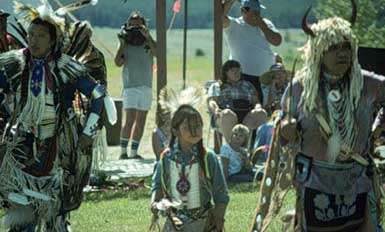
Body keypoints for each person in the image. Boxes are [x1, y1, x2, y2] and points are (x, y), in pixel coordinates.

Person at [252, 2, 385, 231]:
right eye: (334, 48)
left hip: (358, 181)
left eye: (346, 47)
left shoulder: (367, 84)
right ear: (318, 51)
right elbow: (284, 126)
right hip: (315, 182)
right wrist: (286, 128)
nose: (342, 53)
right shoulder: (300, 88)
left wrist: (378, 126)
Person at [0, 1, 112, 231]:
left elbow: (98, 95)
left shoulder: (66, 67)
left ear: (52, 40)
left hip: (59, 144)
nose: (33, 40)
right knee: (21, 203)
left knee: (54, 210)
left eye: (41, 35)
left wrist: (89, 131)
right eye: (31, 34)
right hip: (23, 139)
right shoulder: (15, 62)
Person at [151, 87, 229, 232]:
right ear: (175, 131)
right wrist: (155, 204)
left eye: (198, 126)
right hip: (175, 224)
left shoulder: (207, 157)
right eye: (187, 127)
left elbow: (221, 194)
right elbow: (157, 187)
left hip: (205, 223)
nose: (194, 132)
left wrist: (218, 219)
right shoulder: (166, 158)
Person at [115, 11, 157, 160]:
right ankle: (122, 152)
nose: (135, 29)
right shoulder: (126, 42)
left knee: (141, 120)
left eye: (138, 26)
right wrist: (121, 44)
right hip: (130, 86)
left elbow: (159, 53)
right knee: (130, 119)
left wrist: (148, 36)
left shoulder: (148, 42)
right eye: (132, 26)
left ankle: (133, 152)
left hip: (146, 85)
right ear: (127, 26)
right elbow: (118, 62)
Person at [222, 0, 282, 103]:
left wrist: (262, 25)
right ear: (243, 11)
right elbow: (220, 17)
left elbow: (277, 41)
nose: (257, 15)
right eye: (254, 12)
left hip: (265, 77)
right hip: (243, 77)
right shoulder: (234, 24)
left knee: (267, 107)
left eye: (258, 11)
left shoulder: (266, 23)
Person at [207, 60, 267, 143]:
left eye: (238, 70)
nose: (236, 73)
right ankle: (233, 148)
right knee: (227, 114)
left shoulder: (247, 85)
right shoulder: (217, 86)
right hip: (226, 116)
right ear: (226, 73)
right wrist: (216, 109)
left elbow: (255, 102)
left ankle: (258, 149)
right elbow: (212, 101)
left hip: (246, 115)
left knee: (261, 113)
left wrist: (258, 107)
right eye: (233, 71)